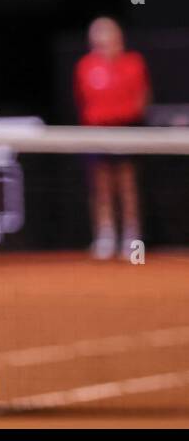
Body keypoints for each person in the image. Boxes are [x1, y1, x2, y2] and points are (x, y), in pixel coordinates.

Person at [73, 17, 150, 260]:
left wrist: (120, 118)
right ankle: (105, 237)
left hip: (126, 131)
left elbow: (140, 99)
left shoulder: (133, 63)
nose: (103, 43)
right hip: (96, 133)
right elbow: (83, 100)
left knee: (127, 185)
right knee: (101, 187)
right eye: (98, 38)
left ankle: (132, 238)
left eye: (108, 36)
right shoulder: (86, 66)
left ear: (118, 38)